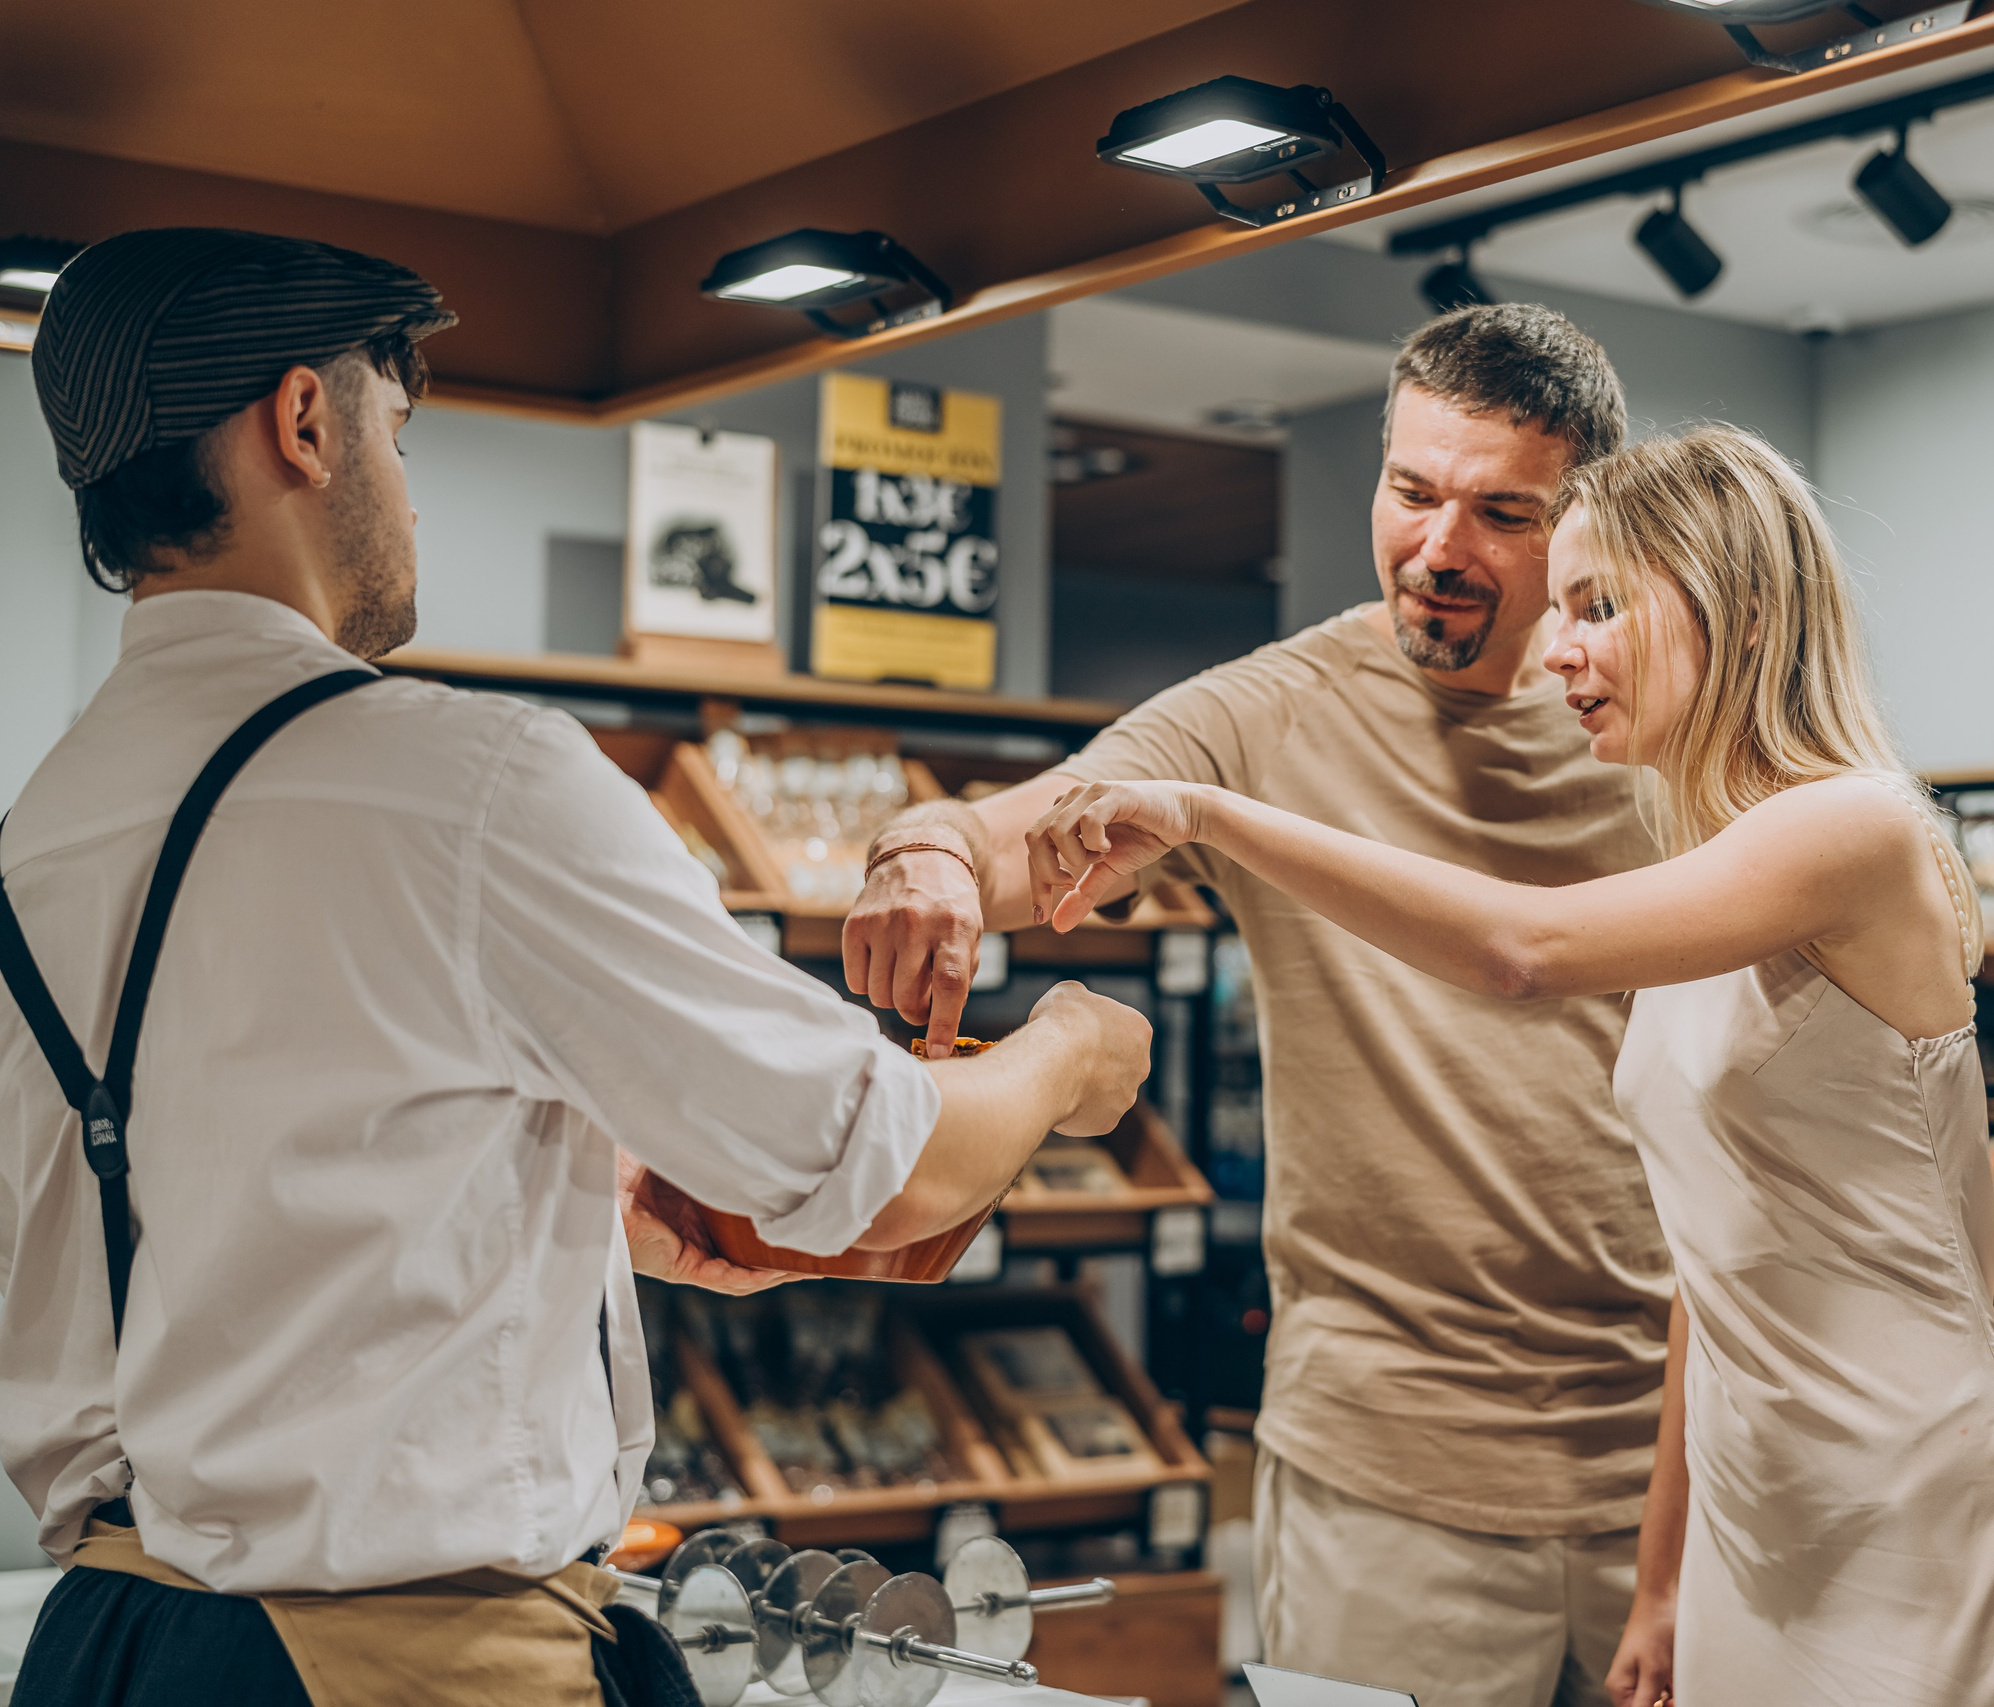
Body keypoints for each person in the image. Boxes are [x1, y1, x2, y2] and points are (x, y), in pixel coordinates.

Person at [0, 228, 1152, 1707]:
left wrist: (544, 1193)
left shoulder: (45, 824)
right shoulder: (465, 780)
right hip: (397, 1662)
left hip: (104, 1644)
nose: (405, 491)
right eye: (398, 431)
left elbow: (223, 1191)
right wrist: (1064, 1048)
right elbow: (894, 1162)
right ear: (304, 420)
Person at [1023, 424, 1994, 1707]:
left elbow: (1517, 949)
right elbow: (1713, 1265)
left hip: (1912, 1494)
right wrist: (1662, 1576)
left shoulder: (1851, 828)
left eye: (1598, 605)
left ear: (1731, 608)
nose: (1559, 645)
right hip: (1759, 1507)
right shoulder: (1712, 862)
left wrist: (1205, 813)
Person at [846, 305, 1671, 1705]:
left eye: (1500, 513)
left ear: (1589, 523)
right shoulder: (1277, 711)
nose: (1437, 548)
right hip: (1384, 1472)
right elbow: (1045, 826)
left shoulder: (1660, 717)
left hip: (1675, 1462)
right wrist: (928, 844)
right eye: (1411, 492)